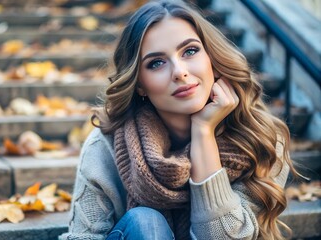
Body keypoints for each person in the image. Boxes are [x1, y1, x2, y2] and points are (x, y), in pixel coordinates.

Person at [60, 0, 297, 239]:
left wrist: (203, 132)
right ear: (140, 85)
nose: (179, 71)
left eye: (190, 51)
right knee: (146, 223)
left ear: (212, 60)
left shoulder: (260, 138)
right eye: (156, 63)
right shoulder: (106, 145)